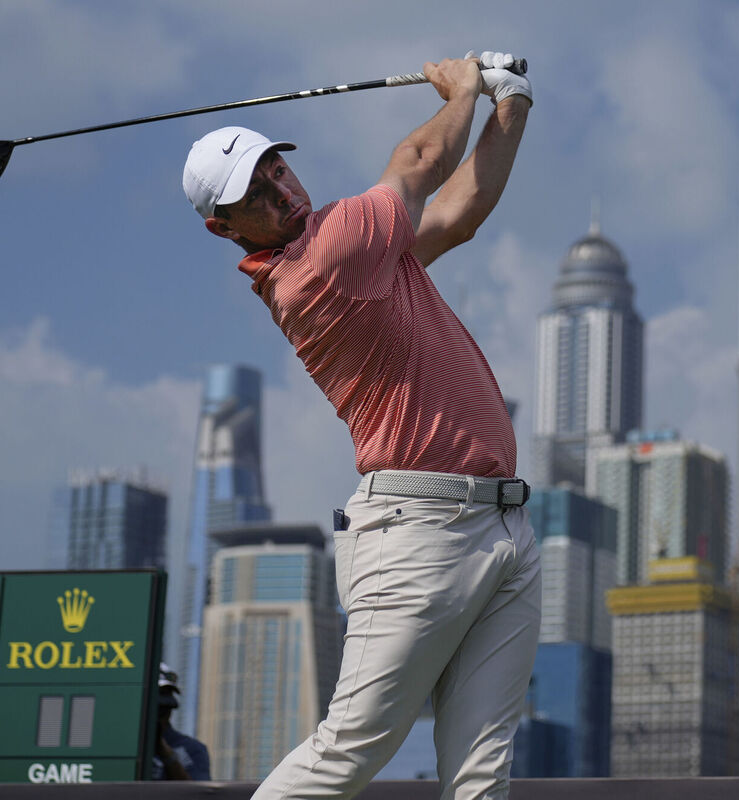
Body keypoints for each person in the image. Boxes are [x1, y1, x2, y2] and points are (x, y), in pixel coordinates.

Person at [181, 51, 540, 800]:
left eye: (276, 169)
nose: (281, 190)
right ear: (225, 229)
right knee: (348, 751)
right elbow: (422, 159)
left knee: (483, 772)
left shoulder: (366, 255)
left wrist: (512, 103)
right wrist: (464, 84)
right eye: (256, 193)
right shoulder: (325, 258)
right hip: (420, 533)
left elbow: (457, 215)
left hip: (502, 524)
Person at [152, 663, 211, 781]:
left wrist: (165, 753)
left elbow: (198, 794)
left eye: (167, 695)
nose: (164, 708)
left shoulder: (192, 748)